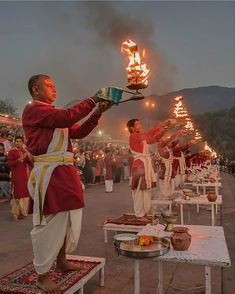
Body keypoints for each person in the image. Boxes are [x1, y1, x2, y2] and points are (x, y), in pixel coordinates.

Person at [22, 74, 114, 293]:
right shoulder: (34, 110)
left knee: (68, 219)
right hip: (49, 173)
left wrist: (97, 112)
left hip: (65, 171)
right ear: (36, 90)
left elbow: (78, 131)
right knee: (49, 223)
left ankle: (61, 260)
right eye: (50, 86)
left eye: (55, 86)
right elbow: (66, 118)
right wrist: (93, 100)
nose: (55, 89)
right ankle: (42, 276)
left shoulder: (52, 115)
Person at [127, 118, 175, 219]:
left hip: (145, 165)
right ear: (132, 128)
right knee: (139, 191)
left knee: (146, 190)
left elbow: (154, 139)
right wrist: (162, 123)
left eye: (139, 123)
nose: (140, 125)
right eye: (137, 124)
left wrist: (164, 129)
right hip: (139, 165)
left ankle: (145, 212)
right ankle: (139, 214)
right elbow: (150, 133)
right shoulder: (134, 136)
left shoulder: (141, 137)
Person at [7, 136, 32, 220]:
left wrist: (28, 156)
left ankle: (22, 212)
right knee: (17, 193)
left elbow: (31, 163)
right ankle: (15, 213)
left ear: (22, 143)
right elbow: (10, 164)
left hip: (24, 176)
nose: (18, 143)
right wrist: (20, 158)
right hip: (16, 175)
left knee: (24, 193)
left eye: (20, 141)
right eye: (17, 141)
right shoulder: (12, 152)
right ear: (14, 142)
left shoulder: (24, 151)